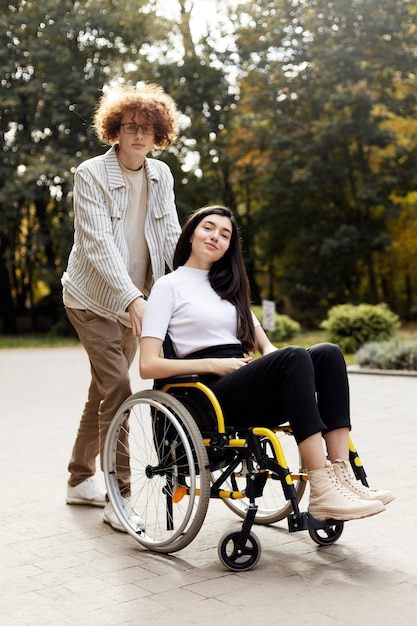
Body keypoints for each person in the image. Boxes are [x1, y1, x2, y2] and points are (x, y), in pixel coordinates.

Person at [139, 205, 394, 522]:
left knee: (327, 353)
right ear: (190, 234)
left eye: (225, 234)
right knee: (295, 356)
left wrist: (274, 358)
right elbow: (147, 365)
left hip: (240, 383)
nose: (216, 236)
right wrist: (216, 366)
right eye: (208, 228)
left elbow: (266, 345)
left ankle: (343, 480)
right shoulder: (168, 286)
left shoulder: (230, 288)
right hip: (203, 391)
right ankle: (322, 487)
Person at [62, 83, 181, 531]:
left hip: (139, 302)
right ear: (115, 129)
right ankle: (120, 494)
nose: (138, 135)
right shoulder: (91, 173)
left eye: (148, 129)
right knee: (118, 391)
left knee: (102, 391)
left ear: (158, 135)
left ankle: (79, 480)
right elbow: (97, 245)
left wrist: (177, 291)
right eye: (130, 126)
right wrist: (131, 297)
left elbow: (170, 237)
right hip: (92, 299)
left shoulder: (161, 176)